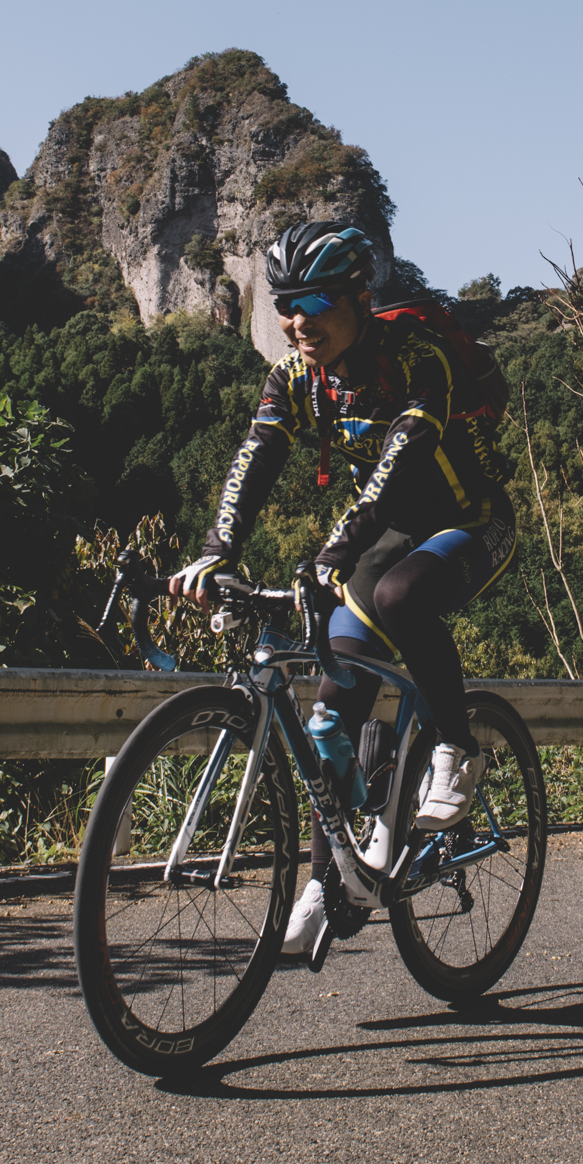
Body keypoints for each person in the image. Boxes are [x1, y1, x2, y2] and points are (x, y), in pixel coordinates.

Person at [169, 220, 516, 960]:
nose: (298, 321)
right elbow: (254, 458)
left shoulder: (415, 359)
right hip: (382, 531)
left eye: (317, 302)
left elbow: (404, 449)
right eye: (286, 303)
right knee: (336, 688)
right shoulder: (296, 378)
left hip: (466, 519)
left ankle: (455, 747)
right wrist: (213, 552)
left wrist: (340, 541)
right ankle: (333, 877)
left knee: (396, 600)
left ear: (360, 299)